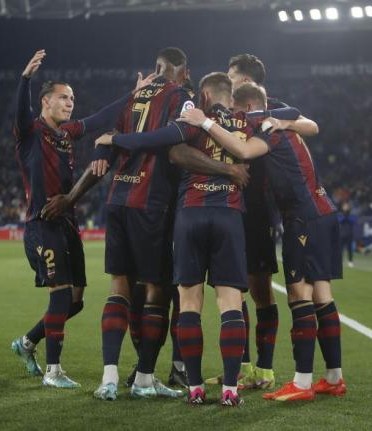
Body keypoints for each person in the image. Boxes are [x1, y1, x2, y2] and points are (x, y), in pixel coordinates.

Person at [96, 73, 302, 406]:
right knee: (229, 304)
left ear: (204, 94)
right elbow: (295, 117)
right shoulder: (248, 121)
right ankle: (231, 389)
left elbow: (174, 153)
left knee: (189, 304)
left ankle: (193, 386)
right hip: (230, 215)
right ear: (231, 96)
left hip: (190, 214)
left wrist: (116, 139)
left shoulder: (191, 118)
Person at [178, 82, 345, 402]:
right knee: (322, 293)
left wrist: (205, 122)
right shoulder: (280, 120)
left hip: (303, 217)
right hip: (322, 210)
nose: (236, 119)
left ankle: (302, 383)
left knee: (300, 294)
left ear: (247, 108)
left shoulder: (267, 128)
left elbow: (242, 151)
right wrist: (286, 120)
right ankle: (334, 378)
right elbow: (311, 123)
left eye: (238, 113)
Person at [10, 50, 151, 388]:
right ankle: (53, 371)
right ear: (45, 102)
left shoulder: (67, 133)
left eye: (72, 98)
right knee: (60, 296)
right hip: (41, 224)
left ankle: (26, 343)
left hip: (68, 223)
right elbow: (19, 112)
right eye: (63, 97)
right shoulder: (30, 132)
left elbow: (102, 117)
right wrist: (25, 79)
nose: (70, 103)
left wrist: (135, 94)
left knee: (75, 301)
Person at [338, 202, 357, 267]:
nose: (345, 207)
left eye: (346, 206)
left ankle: (350, 261)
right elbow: (340, 220)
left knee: (349, 249)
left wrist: (346, 216)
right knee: (341, 249)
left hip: (349, 234)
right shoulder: (340, 214)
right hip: (341, 234)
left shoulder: (351, 214)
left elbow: (353, 221)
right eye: (344, 206)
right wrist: (345, 216)